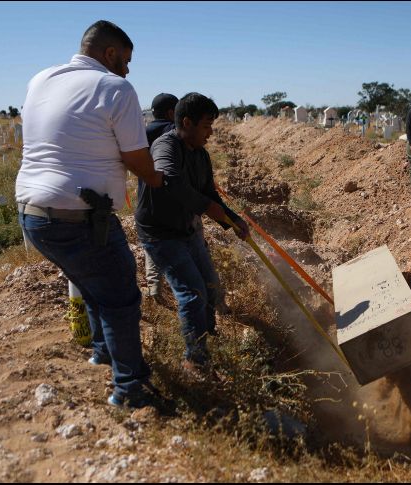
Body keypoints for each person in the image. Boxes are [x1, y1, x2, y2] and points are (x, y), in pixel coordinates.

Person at [16, 20, 163, 408]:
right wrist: (157, 178)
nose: (127, 70)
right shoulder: (115, 88)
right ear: (109, 53)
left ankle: (101, 352)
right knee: (120, 299)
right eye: (125, 61)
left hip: (33, 215)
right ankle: (130, 390)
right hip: (79, 217)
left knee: (92, 283)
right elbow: (137, 159)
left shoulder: (41, 78)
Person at [135, 92, 249, 374]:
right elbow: (170, 179)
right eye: (206, 126)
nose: (210, 133)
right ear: (186, 122)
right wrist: (208, 207)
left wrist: (233, 220)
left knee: (210, 286)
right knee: (192, 293)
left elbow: (210, 194)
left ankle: (208, 339)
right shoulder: (166, 146)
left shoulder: (201, 154)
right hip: (161, 234)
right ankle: (194, 362)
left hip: (187, 228)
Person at [141, 93, 178, 301]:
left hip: (146, 198)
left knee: (152, 242)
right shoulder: (174, 131)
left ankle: (154, 288)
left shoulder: (142, 132)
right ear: (172, 113)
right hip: (171, 195)